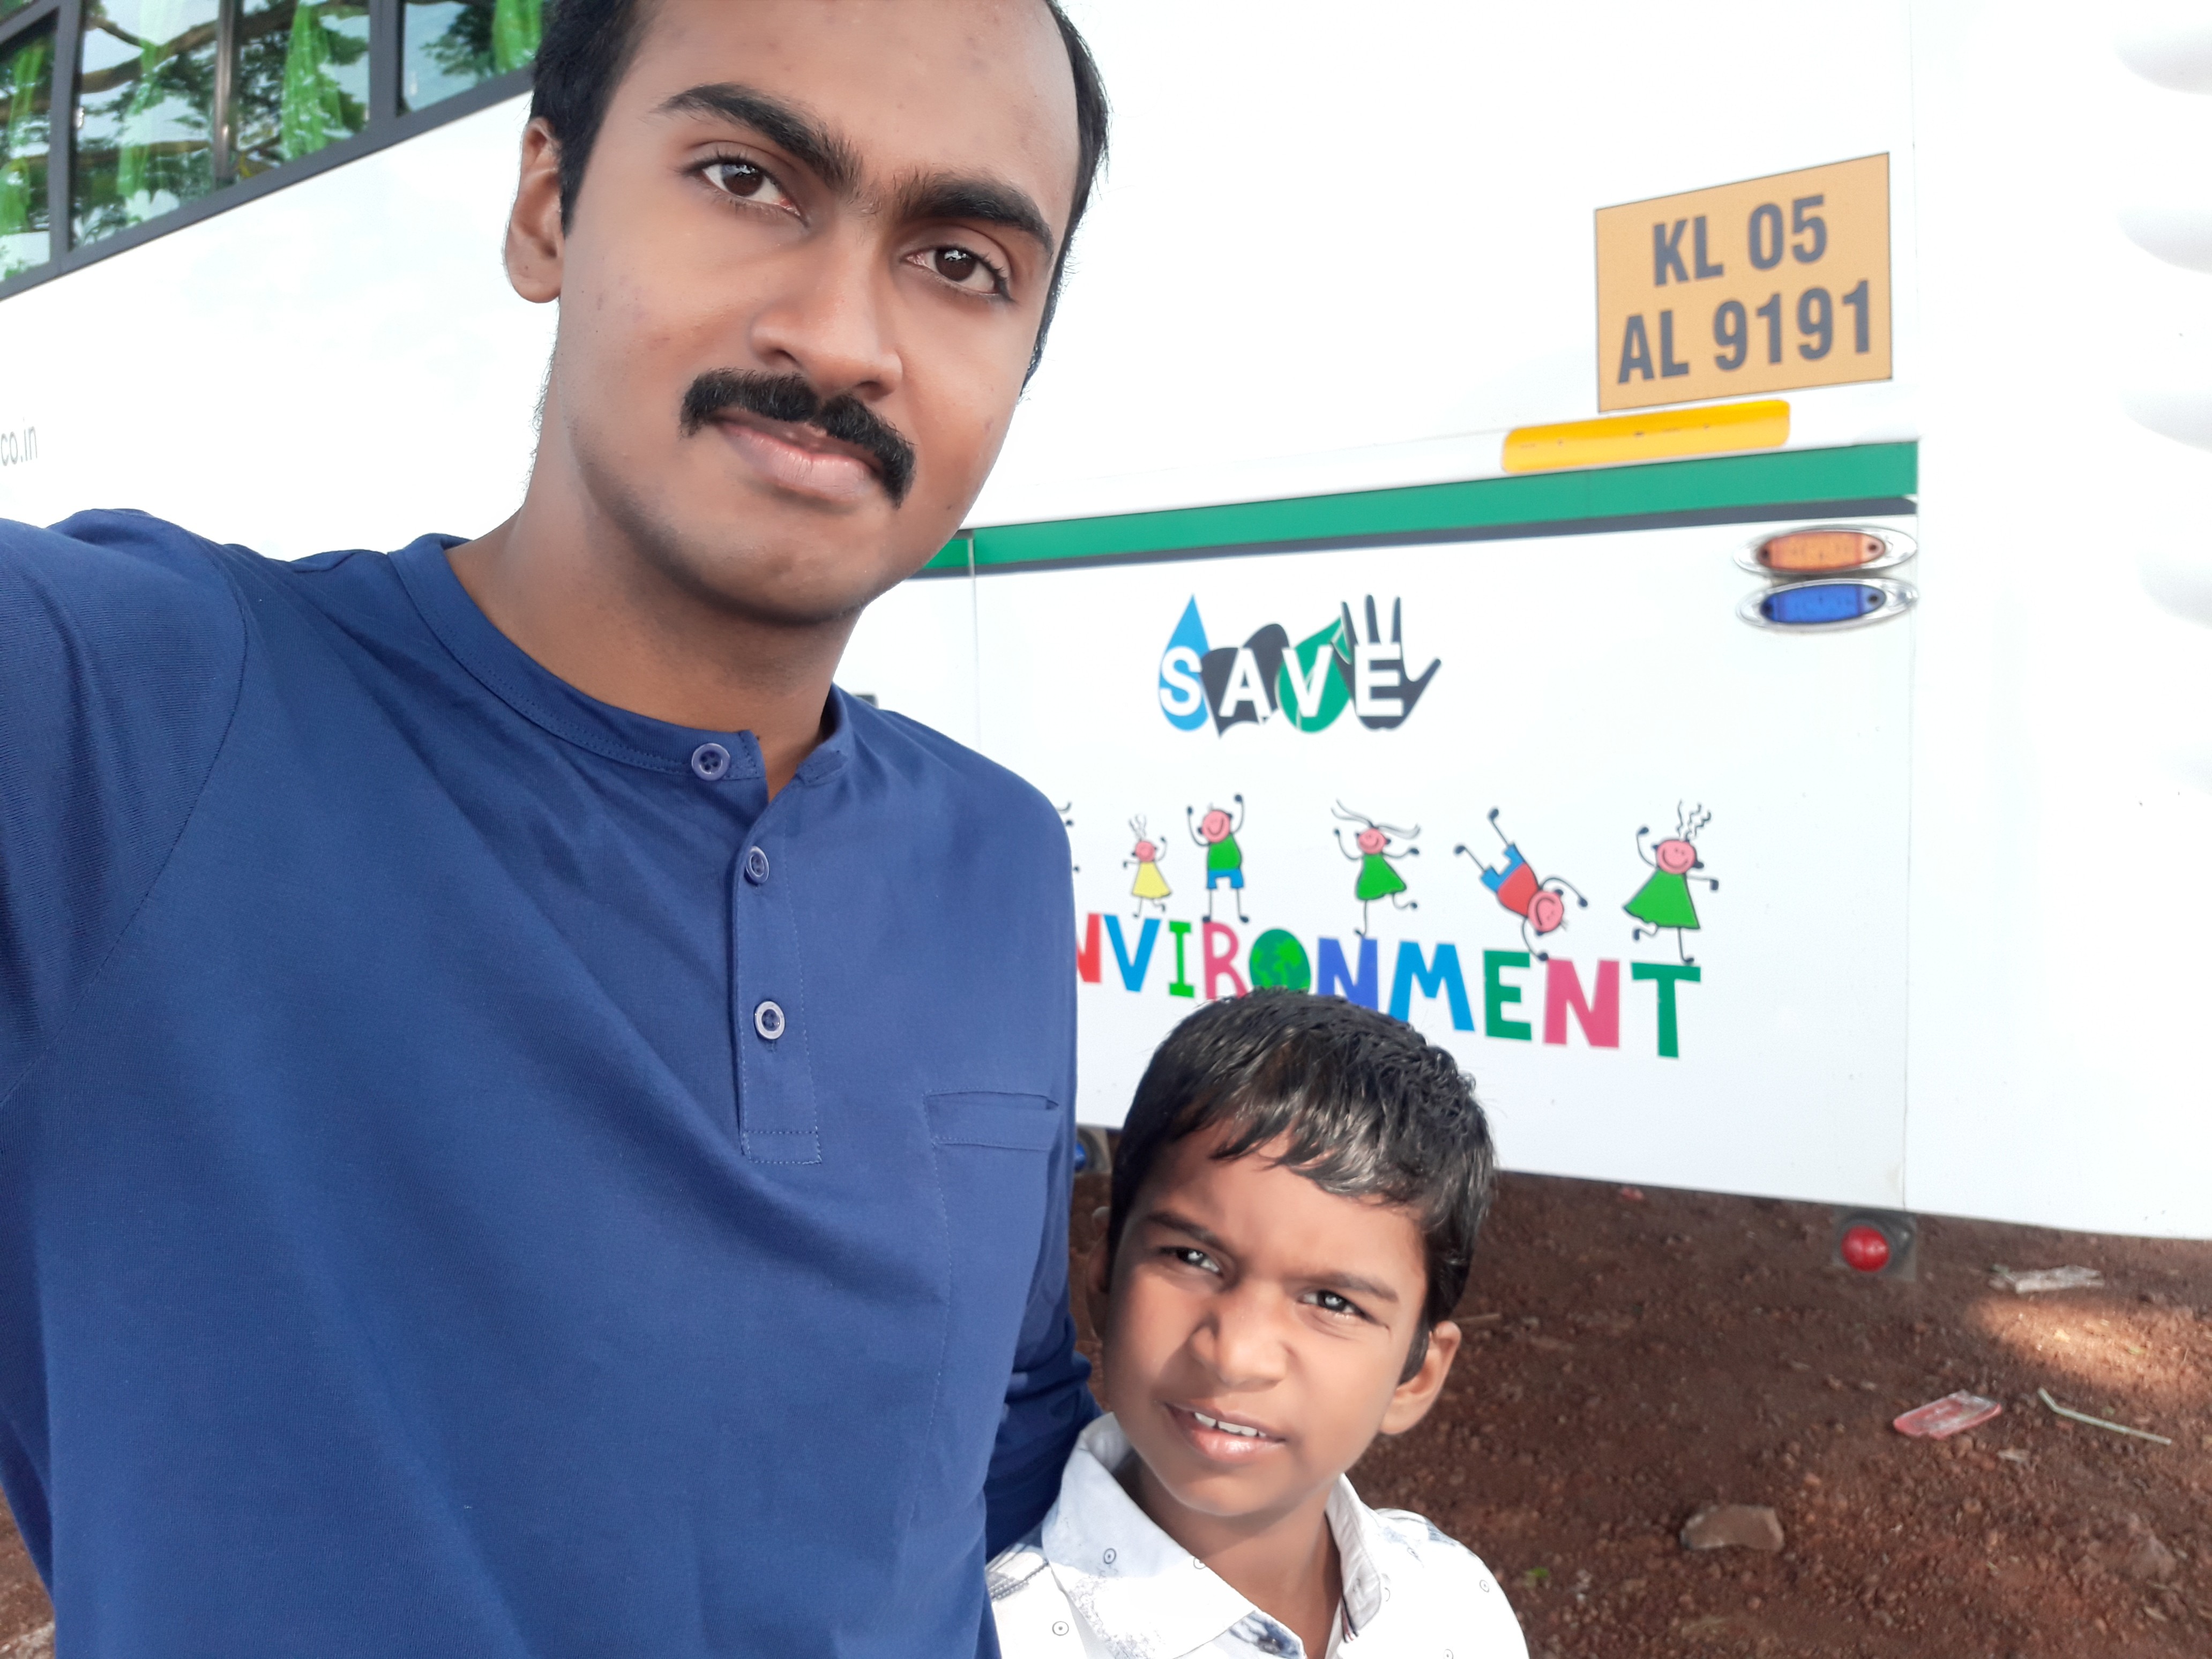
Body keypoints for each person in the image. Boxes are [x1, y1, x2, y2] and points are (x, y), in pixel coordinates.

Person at [0, 3, 1108, 1655]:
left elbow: (1005, 1413)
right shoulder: (127, 719)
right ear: (546, 209)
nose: (840, 337)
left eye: (961, 264)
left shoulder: (1002, 858)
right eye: (745, 178)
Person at [989, 993, 1528, 1658]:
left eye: (1332, 1302)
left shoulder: (1455, 1609)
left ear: (1416, 1376)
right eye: (1192, 1259)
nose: (1236, 1355)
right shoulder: (995, 1638)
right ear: (1104, 1273)